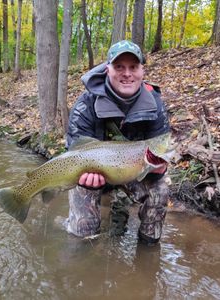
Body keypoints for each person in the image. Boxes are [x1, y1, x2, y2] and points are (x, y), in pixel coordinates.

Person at [61, 40, 170, 245]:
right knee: (81, 235)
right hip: (92, 170)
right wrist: (85, 177)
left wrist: (160, 167)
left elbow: (162, 149)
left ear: (142, 71)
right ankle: (80, 250)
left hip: (136, 169)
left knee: (161, 189)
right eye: (119, 66)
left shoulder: (154, 102)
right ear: (107, 70)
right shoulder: (86, 104)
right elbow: (74, 150)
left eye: (133, 67)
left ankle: (148, 250)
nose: (127, 73)